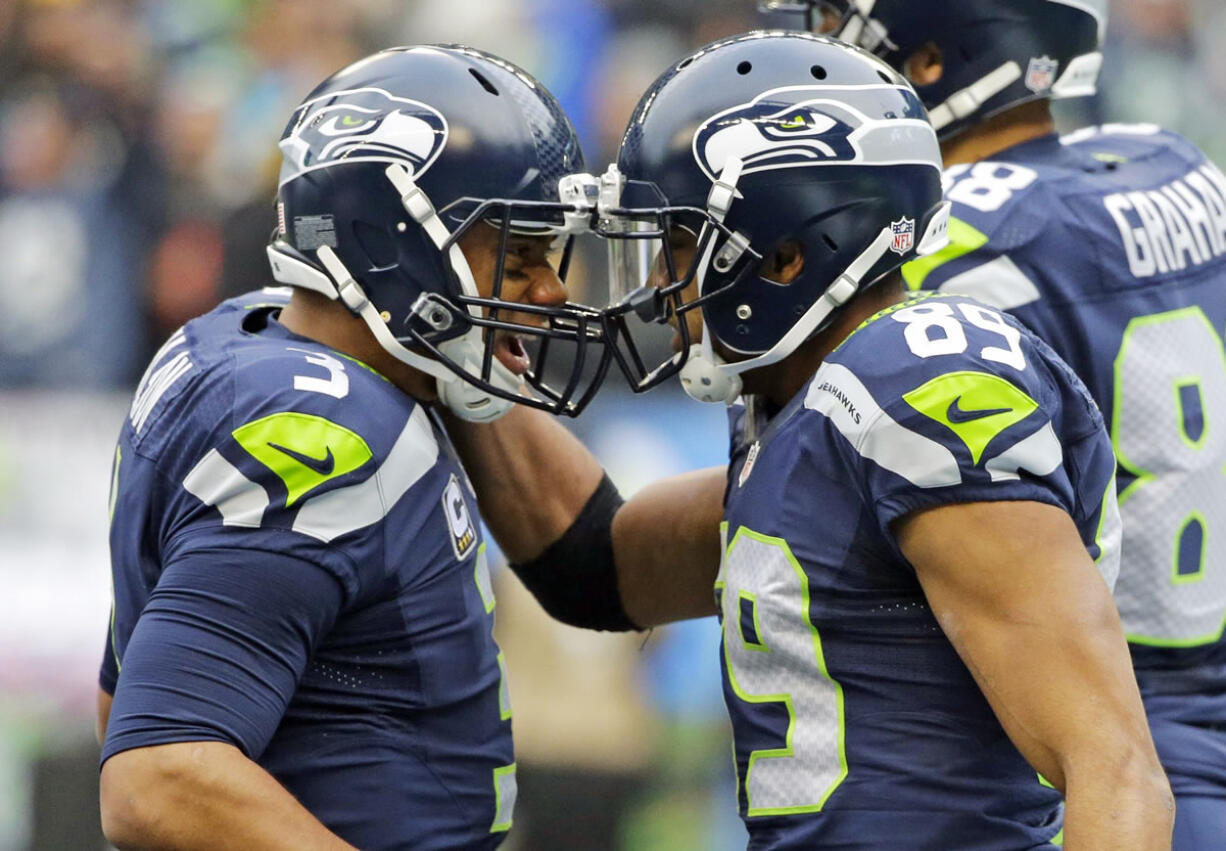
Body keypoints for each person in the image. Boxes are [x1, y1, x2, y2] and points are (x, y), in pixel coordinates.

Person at [443, 31, 1174, 849]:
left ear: (788, 255)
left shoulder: (916, 389)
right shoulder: (802, 404)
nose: (657, 285)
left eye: (679, 245)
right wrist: (455, 345)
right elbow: (598, 568)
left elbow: (1114, 765)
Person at [96, 44, 612, 850]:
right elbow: (157, 773)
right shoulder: (322, 436)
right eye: (519, 256)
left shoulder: (245, 335)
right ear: (390, 246)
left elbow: (126, 695)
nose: (551, 291)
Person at [792, 2, 1226, 846]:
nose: (817, 50)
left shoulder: (946, 249)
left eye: (843, 23)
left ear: (927, 59)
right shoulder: (1175, 163)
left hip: (1097, 763)